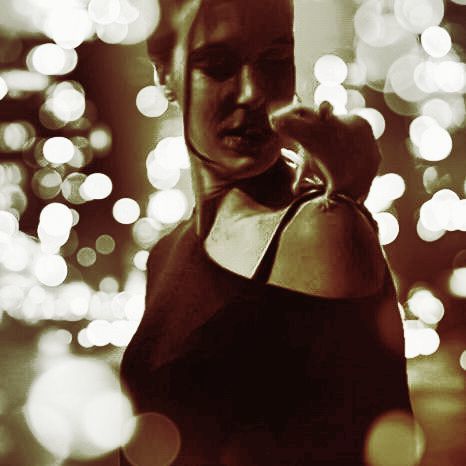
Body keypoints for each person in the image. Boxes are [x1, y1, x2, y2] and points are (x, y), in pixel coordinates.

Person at [120, 0, 413, 464]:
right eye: (217, 66)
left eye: (275, 61)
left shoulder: (319, 230)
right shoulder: (166, 251)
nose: (253, 92)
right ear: (164, 72)